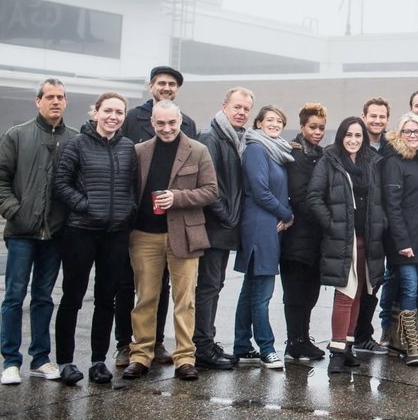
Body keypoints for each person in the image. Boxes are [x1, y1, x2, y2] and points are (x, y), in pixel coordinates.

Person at [0, 78, 77, 385]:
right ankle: (10, 361)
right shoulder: (17, 135)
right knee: (14, 296)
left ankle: (41, 359)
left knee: (43, 297)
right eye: (49, 96)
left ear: (65, 102)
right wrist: (17, 212)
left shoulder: (75, 140)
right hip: (22, 234)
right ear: (37, 101)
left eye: (60, 97)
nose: (55, 102)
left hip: (55, 236)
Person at [121, 101, 217, 382]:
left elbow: (211, 191)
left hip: (184, 235)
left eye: (171, 123)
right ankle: (140, 355)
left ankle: (185, 358)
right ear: (152, 123)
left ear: (180, 121)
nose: (166, 129)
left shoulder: (198, 150)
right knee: (146, 298)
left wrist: (177, 198)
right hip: (144, 235)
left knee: (184, 300)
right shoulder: (139, 151)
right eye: (160, 123)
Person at [51, 92, 139, 386]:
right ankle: (65, 361)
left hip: (115, 234)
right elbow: (61, 183)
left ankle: (98, 360)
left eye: (119, 112)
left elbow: (133, 187)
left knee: (106, 299)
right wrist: (86, 205)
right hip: (81, 232)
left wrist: (128, 210)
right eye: (108, 111)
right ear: (96, 112)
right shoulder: (78, 144)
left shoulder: (128, 148)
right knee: (72, 297)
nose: (113, 116)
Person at [117, 65, 197, 368]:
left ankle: (160, 345)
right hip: (141, 227)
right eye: (161, 83)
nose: (166, 87)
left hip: (176, 228)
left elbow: (203, 182)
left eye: (172, 84)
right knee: (135, 290)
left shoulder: (187, 124)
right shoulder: (132, 119)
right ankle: (128, 345)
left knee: (170, 293)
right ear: (151, 86)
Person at [306, 117, 387, 372]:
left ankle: (349, 346)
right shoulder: (330, 161)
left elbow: (379, 199)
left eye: (358, 135)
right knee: (344, 295)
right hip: (343, 240)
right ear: (341, 136)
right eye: (349, 135)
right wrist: (332, 224)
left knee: (358, 296)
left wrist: (380, 222)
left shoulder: (371, 162)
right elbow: (314, 197)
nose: (353, 140)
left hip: (368, 240)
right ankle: (337, 352)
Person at [193, 87, 253, 370]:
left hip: (225, 227)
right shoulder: (211, 136)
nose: (241, 113)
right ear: (225, 106)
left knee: (215, 285)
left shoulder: (237, 138)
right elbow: (208, 183)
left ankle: (207, 341)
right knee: (208, 286)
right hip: (214, 226)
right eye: (237, 107)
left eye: (246, 109)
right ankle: (202, 347)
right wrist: (227, 216)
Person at [233, 104, 294, 370]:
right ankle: (266, 348)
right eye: (269, 119)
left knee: (250, 289)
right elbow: (259, 190)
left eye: (279, 120)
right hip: (260, 227)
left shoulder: (276, 150)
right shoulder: (257, 149)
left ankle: (241, 344)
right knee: (263, 293)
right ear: (258, 123)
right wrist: (287, 213)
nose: (274, 123)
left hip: (267, 225)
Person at [376, 91, 418, 348]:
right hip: (405, 238)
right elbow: (392, 205)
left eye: (417, 132)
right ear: (399, 133)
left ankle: (413, 333)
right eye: (408, 131)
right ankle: (396, 333)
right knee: (406, 286)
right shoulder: (393, 159)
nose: (413, 135)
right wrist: (401, 240)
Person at [280, 103, 328, 364]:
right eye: (313, 127)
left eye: (321, 128)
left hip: (315, 239)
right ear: (302, 127)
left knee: (310, 292)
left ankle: (303, 339)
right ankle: (294, 341)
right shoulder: (293, 154)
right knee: (295, 294)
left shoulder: (321, 155)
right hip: (296, 236)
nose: (318, 132)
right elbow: (300, 196)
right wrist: (325, 214)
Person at [352, 98, 394, 356]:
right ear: (364, 116)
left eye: (382, 116)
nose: (377, 120)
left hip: (386, 224)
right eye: (373, 116)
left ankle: (366, 334)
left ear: (387, 119)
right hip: (363, 226)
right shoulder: (355, 144)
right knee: (357, 283)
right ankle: (357, 335)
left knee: (375, 281)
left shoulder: (391, 147)